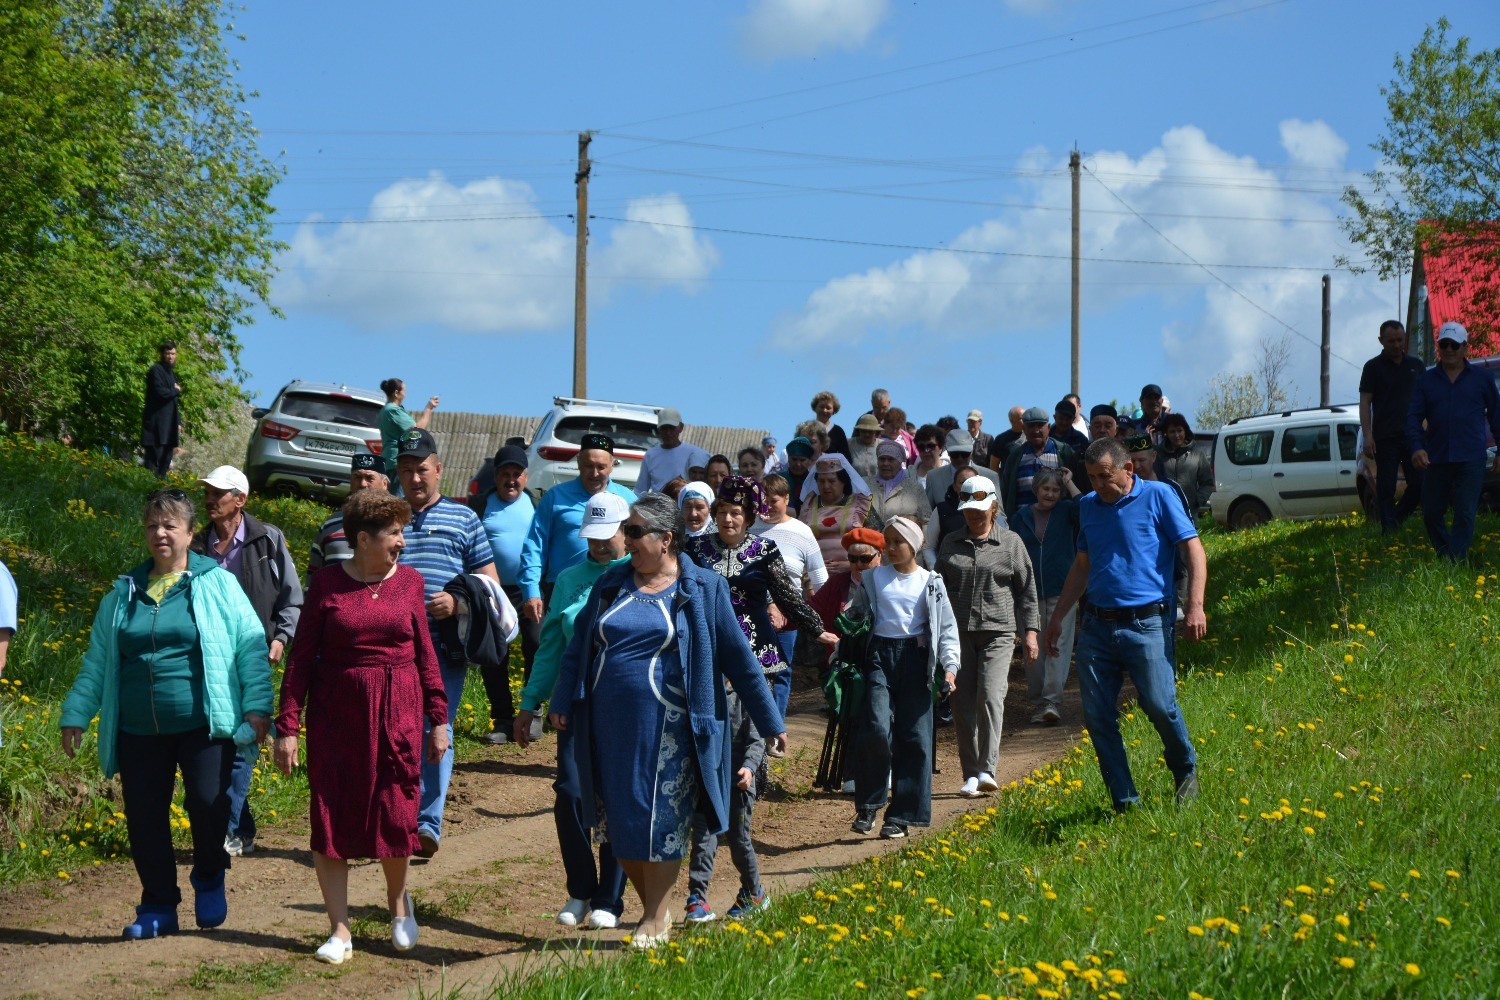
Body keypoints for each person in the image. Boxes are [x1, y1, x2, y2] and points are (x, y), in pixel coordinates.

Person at [549, 493, 787, 949]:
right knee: (618, 823)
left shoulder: (702, 588)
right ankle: (655, 908)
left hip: (671, 728)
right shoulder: (611, 583)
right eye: (627, 531)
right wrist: (562, 698)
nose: (627, 540)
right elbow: (578, 648)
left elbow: (740, 659)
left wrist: (770, 720)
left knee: (661, 820)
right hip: (607, 725)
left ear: (666, 539)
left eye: (635, 531)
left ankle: (653, 918)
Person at [60, 488, 272, 939]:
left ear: (190, 533)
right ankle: (158, 905)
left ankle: (209, 875)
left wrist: (257, 706)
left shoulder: (216, 583)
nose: (160, 533)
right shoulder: (123, 593)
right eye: (153, 525)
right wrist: (76, 712)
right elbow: (97, 662)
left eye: (170, 525)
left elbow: (250, 646)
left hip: (203, 723)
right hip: (137, 728)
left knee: (210, 806)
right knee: (144, 818)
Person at [272, 489, 448, 964]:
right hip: (337, 717)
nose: (402, 542)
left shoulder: (409, 581)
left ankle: (398, 904)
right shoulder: (327, 584)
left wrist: (439, 718)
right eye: (394, 534)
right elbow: (301, 659)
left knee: (396, 812)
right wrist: (287, 726)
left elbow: (425, 653)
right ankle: (339, 930)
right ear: (364, 539)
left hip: (398, 713)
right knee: (331, 814)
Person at [1043, 438, 1206, 811]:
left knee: (1160, 704)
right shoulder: (1088, 506)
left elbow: (1193, 549)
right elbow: (1082, 566)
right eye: (1092, 478)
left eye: (1105, 476)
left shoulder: (1159, 496)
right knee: (1098, 717)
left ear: (1128, 468)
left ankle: (1185, 770)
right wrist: (1058, 617)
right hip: (1097, 627)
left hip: (1148, 622)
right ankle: (1125, 802)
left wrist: (1195, 606)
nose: (1098, 485)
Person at [514, 493, 631, 931]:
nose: (599, 545)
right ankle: (581, 887)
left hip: (625, 704)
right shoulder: (569, 578)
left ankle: (609, 898)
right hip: (577, 702)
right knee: (571, 792)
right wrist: (530, 702)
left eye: (607, 536)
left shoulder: (639, 575)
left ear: (626, 531)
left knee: (617, 794)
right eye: (592, 537)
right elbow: (551, 647)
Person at [392, 427, 499, 857]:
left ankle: (426, 822)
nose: (415, 478)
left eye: (421, 469)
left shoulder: (464, 518)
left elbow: (490, 586)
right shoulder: (387, 517)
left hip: (442, 646)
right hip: (389, 646)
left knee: (436, 726)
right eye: (406, 470)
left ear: (438, 469)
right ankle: (396, 815)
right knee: (392, 729)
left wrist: (458, 603)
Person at [192, 465, 302, 860]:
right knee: (219, 740)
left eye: (218, 493)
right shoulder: (197, 546)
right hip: (209, 658)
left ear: (240, 499)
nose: (209, 499)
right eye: (207, 492)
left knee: (242, 741)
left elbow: (291, 596)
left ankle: (223, 829)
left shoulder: (268, 540)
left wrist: (281, 637)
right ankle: (242, 827)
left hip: (254, 653)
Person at [685, 477, 836, 719]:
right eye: (722, 512)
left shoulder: (765, 550)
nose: (727, 519)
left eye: (735, 513)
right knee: (711, 715)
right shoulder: (695, 549)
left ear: (749, 518)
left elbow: (786, 595)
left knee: (754, 721)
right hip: (709, 640)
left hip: (755, 645)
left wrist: (816, 629)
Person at [848, 517, 960, 840]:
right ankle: (869, 804)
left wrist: (950, 668)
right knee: (875, 726)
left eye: (899, 541)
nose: (892, 547)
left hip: (917, 659)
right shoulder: (872, 578)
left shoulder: (931, 582)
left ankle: (901, 816)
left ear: (916, 545)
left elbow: (946, 628)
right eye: (888, 541)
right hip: (878, 657)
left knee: (915, 737)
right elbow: (855, 617)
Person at [936, 477, 1039, 798]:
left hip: (999, 632)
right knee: (962, 702)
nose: (974, 515)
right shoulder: (950, 542)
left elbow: (1027, 591)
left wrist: (1031, 633)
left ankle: (987, 769)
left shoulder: (1011, 543)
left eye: (980, 509)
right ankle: (970, 773)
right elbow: (937, 590)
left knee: (991, 696)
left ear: (993, 507)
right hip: (958, 635)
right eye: (969, 509)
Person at [519, 433, 638, 624]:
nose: (594, 473)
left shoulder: (629, 499)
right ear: (578, 463)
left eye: (601, 467)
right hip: (562, 589)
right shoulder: (556, 497)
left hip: (615, 587)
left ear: (612, 465)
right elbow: (535, 544)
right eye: (588, 465)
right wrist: (531, 590)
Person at [1408, 321, 1500, 562]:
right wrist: (1417, 447)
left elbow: (1496, 415)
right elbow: (1413, 417)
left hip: (1472, 457)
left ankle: (1456, 563)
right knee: (1431, 512)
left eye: (1454, 345)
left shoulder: (1482, 379)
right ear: (1438, 347)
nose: (1449, 349)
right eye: (1444, 345)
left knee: (1465, 512)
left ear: (1465, 348)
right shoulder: (1426, 381)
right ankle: (1446, 553)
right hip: (1437, 457)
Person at [470, 444, 541, 744]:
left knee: (536, 644)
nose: (511, 480)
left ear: (526, 476)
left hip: (530, 588)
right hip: (492, 591)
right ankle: (502, 719)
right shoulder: (479, 505)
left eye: (517, 474)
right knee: (495, 652)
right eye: (505, 474)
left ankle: (532, 712)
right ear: (496, 476)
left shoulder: (538, 502)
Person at [683, 680, 770, 923]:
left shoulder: (744, 695)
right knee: (703, 840)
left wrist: (749, 768)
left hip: (738, 784)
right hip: (707, 783)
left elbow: (757, 740)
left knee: (738, 841)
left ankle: (754, 893)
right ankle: (697, 898)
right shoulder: (700, 695)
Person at [1010, 468, 1081, 725]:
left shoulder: (1067, 511)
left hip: (1063, 589)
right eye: (1046, 489)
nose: (1050, 494)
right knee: (1034, 647)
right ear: (1036, 490)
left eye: (1055, 490)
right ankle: (1039, 700)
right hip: (1028, 592)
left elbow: (1085, 507)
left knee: (1058, 644)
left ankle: (1051, 701)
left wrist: (1069, 482)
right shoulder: (1021, 517)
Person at [751, 473, 829, 668]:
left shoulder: (802, 531)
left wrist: (825, 617)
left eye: (773, 501)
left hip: (788, 616)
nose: (767, 507)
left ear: (786, 499)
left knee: (782, 671)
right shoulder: (748, 528)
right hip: (751, 612)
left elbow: (820, 579)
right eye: (763, 502)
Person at [1359, 320, 1427, 533]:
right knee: (1386, 486)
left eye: (1400, 340)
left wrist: (1427, 425)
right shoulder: (1372, 367)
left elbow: (1427, 398)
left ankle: (1396, 518)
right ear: (1381, 341)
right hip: (1385, 437)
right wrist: (1368, 435)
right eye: (1391, 341)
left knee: (1419, 484)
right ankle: (1389, 530)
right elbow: (1365, 402)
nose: (1397, 345)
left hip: (1413, 436)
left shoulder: (1416, 365)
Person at [309, 452, 389, 573]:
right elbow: (314, 575)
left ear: (384, 484)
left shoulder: (394, 526)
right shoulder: (330, 525)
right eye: (357, 477)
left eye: (369, 478)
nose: (362, 484)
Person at [1000, 407, 1082, 518]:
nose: (1036, 431)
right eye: (1031, 426)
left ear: (1048, 427)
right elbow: (1005, 493)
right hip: (1023, 523)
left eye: (1040, 426)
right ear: (1023, 429)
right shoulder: (1015, 457)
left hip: (1057, 522)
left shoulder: (1063, 452)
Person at [800, 455, 873, 576]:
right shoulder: (808, 506)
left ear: (843, 482)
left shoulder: (860, 505)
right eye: (821, 481)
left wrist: (851, 565)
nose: (826, 486)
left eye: (831, 481)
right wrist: (814, 567)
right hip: (816, 575)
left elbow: (876, 541)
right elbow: (799, 543)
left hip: (853, 574)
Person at [637, 407, 712, 495]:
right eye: (664, 428)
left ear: (681, 427)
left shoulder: (694, 453)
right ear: (659, 429)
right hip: (658, 503)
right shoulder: (650, 455)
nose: (668, 432)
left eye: (672, 428)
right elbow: (640, 489)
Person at [377, 378, 439, 480]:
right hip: (396, 461)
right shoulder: (393, 410)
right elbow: (416, 431)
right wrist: (428, 408)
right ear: (396, 393)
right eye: (404, 390)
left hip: (388, 460)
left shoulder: (384, 410)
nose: (405, 394)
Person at [924, 429, 1001, 510]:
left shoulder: (990, 476)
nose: (960, 458)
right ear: (948, 452)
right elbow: (927, 513)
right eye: (955, 454)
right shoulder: (933, 478)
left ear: (972, 451)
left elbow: (999, 513)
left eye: (964, 454)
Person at [1154, 414, 1213, 516]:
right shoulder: (1158, 454)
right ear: (1166, 433)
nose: (1177, 435)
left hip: (1189, 514)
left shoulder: (1197, 453)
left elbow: (1208, 483)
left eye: (1179, 430)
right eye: (1172, 431)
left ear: (1185, 431)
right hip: (1163, 511)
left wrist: (1197, 500)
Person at [868, 439, 932, 531]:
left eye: (891, 459)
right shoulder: (865, 484)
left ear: (900, 463)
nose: (885, 463)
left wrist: (924, 540)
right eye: (882, 459)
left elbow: (927, 521)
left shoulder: (914, 487)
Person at [923, 466, 980, 568]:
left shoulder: (988, 510)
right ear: (954, 487)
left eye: (972, 481)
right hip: (947, 572)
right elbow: (929, 547)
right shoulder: (941, 510)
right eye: (962, 482)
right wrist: (936, 571)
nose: (967, 485)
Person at [141, 342, 182, 478]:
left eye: (173, 354)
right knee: (153, 463)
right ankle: (148, 486)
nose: (170, 357)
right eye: (167, 353)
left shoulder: (171, 374)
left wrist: (178, 422)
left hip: (169, 427)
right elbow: (159, 392)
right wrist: (175, 390)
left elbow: (173, 402)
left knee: (165, 462)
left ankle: (160, 485)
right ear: (162, 354)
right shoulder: (156, 370)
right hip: (156, 426)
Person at [811, 391, 851, 458]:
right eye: (821, 407)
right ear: (815, 408)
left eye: (828, 408)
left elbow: (846, 457)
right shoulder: (806, 429)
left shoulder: (838, 432)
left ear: (833, 411)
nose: (824, 410)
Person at [988, 406, 1026, 475]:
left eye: (1025, 417)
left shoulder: (1032, 436)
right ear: (1011, 421)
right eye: (1021, 418)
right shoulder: (1001, 439)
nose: (1025, 420)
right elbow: (994, 466)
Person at [783, 437, 815, 514]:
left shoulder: (815, 481)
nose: (798, 464)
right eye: (794, 459)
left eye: (802, 460)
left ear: (809, 461)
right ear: (788, 459)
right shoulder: (779, 479)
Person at [848, 413, 882, 483]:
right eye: (863, 431)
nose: (867, 434)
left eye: (870, 431)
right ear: (859, 431)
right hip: (855, 486)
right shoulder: (849, 444)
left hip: (878, 486)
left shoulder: (882, 445)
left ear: (876, 432)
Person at [911, 424, 947, 490]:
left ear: (941, 447)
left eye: (931, 446)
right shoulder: (908, 475)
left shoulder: (950, 471)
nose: (926, 450)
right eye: (921, 447)